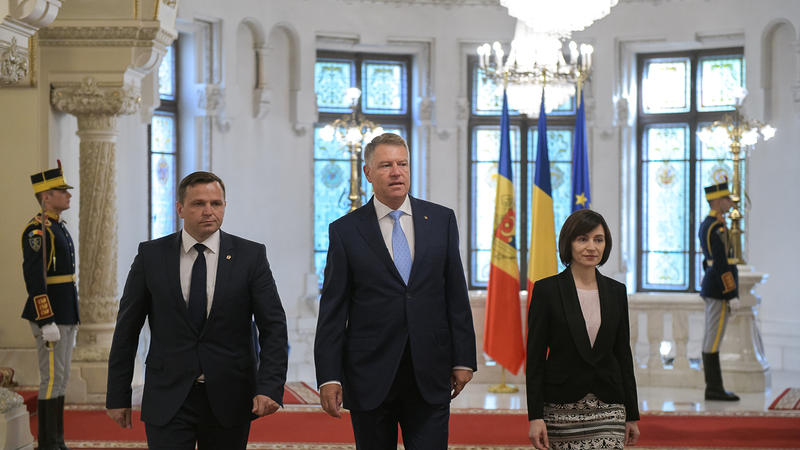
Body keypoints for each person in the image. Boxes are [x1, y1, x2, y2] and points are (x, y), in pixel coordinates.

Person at [314, 132, 477, 449]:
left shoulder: (440, 220)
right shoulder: (345, 231)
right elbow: (333, 310)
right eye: (386, 165)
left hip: (429, 371)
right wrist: (329, 376)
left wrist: (463, 359)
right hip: (369, 374)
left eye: (402, 164)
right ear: (368, 173)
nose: (396, 172)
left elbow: (455, 294)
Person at [106, 171, 288, 450]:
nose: (208, 211)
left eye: (216, 204)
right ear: (180, 208)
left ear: (225, 206)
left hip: (230, 395)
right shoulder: (151, 256)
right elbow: (127, 329)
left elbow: (273, 326)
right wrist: (118, 394)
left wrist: (270, 386)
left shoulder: (250, 256)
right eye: (198, 204)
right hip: (168, 393)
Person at [527, 209, 640, 450]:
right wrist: (535, 416)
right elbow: (535, 359)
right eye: (583, 239)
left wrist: (632, 414)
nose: (591, 247)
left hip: (609, 407)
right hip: (561, 408)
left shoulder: (616, 291)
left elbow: (623, 355)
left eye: (598, 239)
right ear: (569, 243)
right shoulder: (546, 291)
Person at [21, 165, 79, 450]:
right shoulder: (37, 230)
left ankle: (57, 441)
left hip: (65, 311)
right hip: (51, 314)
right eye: (62, 192)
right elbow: (35, 279)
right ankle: (48, 443)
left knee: (62, 377)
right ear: (46, 197)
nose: (68, 196)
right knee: (51, 378)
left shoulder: (57, 227)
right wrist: (46, 320)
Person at [698, 181, 740, 401]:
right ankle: (714, 388)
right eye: (726, 199)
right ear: (716, 200)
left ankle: (714, 387)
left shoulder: (712, 223)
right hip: (718, 290)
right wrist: (731, 293)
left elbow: (710, 263)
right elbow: (720, 263)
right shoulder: (716, 226)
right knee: (713, 339)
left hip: (714, 286)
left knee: (712, 337)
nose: (728, 203)